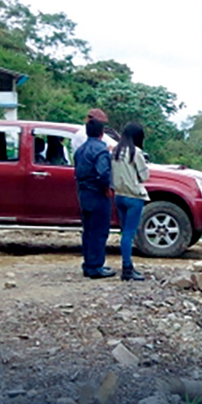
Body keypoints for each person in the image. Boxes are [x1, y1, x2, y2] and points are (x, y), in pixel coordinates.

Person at [74, 109, 115, 278]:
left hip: (84, 194)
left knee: (88, 231)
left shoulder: (80, 150)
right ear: (102, 132)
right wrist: (107, 188)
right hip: (98, 194)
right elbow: (103, 173)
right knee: (99, 232)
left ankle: (88, 264)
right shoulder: (101, 150)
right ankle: (96, 266)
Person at [111, 123, 150, 281]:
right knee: (129, 234)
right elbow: (145, 176)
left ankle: (127, 265)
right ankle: (127, 268)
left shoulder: (115, 151)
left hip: (119, 195)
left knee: (124, 232)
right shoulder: (136, 152)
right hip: (134, 197)